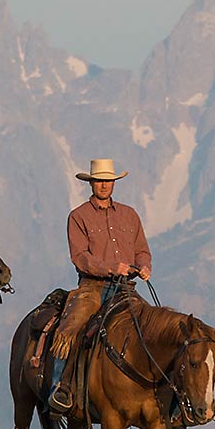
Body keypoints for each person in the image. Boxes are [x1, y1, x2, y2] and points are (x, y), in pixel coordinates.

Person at [47, 159, 152, 413]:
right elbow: (80, 257)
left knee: (152, 327)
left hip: (126, 287)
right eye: (99, 181)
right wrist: (111, 267)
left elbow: (142, 250)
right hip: (92, 287)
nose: (104, 185)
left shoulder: (130, 214)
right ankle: (59, 387)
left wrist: (144, 265)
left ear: (114, 183)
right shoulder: (78, 216)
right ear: (91, 183)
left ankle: (162, 395)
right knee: (70, 327)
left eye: (108, 181)